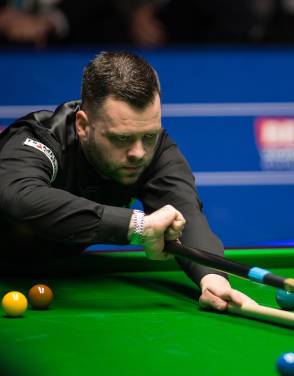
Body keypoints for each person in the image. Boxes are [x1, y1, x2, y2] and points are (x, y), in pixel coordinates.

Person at [0, 51, 254, 311]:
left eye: (149, 136)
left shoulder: (152, 149)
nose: (138, 153)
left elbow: (185, 211)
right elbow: (20, 197)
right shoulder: (40, 139)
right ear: (83, 126)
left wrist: (212, 278)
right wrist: (137, 226)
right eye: (121, 139)